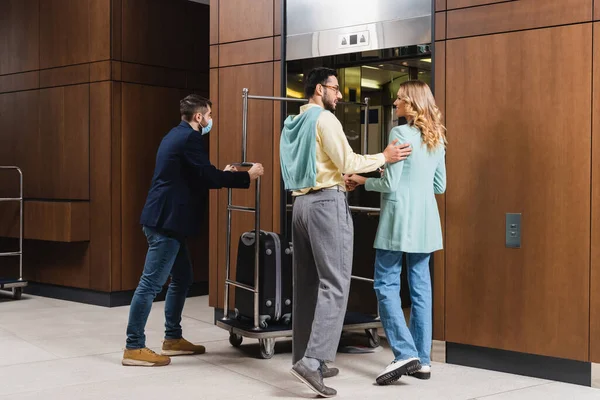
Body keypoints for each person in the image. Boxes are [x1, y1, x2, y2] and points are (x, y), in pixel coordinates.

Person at [280, 67, 412, 397]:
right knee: (336, 283)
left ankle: (305, 358)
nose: (340, 94)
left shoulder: (295, 122)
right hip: (326, 204)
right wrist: (385, 155)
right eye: (335, 89)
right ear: (318, 90)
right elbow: (348, 161)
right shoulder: (325, 120)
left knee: (307, 284)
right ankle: (312, 362)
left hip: (300, 206)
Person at [122, 94, 264, 367]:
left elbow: (194, 176)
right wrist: (247, 176)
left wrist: (217, 173)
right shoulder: (190, 139)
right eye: (209, 116)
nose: (210, 120)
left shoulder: (174, 135)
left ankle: (173, 338)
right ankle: (133, 346)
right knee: (150, 285)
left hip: (166, 220)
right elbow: (206, 176)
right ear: (199, 117)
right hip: (166, 223)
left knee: (183, 277)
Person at [347, 80, 446, 385]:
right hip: (427, 222)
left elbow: (390, 185)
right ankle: (424, 361)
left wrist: (362, 180)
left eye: (400, 100)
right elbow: (439, 186)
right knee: (421, 289)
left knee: (386, 283)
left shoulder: (400, 133)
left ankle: (404, 352)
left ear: (411, 104)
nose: (395, 104)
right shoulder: (437, 137)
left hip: (399, 219)